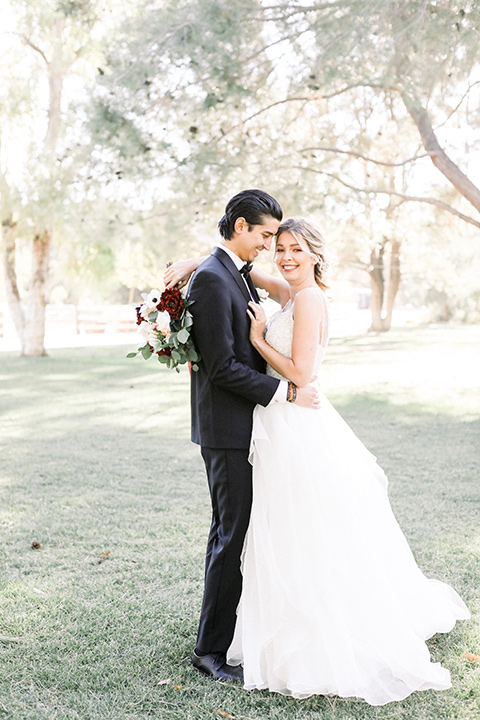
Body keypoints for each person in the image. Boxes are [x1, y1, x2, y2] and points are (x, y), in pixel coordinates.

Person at [167, 215, 469, 706]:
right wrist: (193, 260)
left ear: (315, 255)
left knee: (302, 528)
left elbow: (302, 375)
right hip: (275, 423)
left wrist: (262, 338)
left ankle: (316, 629)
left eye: (295, 250)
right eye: (278, 247)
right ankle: (265, 625)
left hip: (295, 420)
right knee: (273, 527)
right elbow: (233, 268)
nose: (284, 257)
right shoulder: (289, 289)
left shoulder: (308, 299)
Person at [164, 191, 320, 683]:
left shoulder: (227, 272)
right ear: (238, 226)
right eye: (265, 235)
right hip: (228, 429)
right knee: (231, 538)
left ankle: (222, 635)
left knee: (229, 534)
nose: (270, 246)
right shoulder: (213, 279)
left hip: (242, 426)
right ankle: (210, 651)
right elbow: (223, 367)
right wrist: (285, 393)